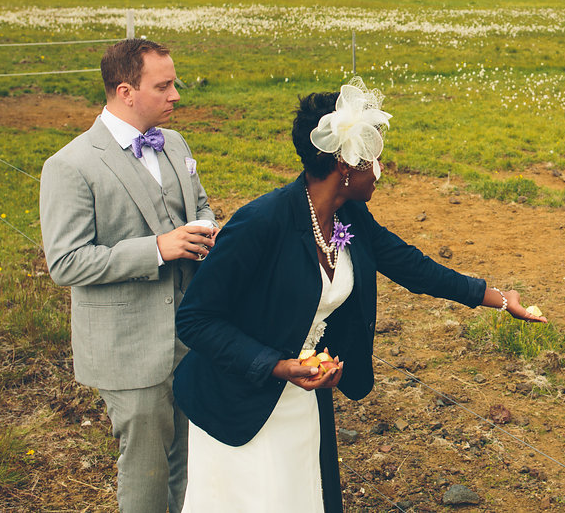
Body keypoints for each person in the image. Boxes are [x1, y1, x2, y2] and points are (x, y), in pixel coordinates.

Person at [173, 77, 545, 512]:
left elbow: (411, 266)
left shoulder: (349, 216)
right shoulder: (260, 223)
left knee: (300, 496)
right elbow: (196, 320)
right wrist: (276, 366)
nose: (381, 172)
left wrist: (499, 297)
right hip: (238, 399)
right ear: (345, 166)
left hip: (301, 395)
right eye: (375, 161)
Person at [39, 39, 218, 513]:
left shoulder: (176, 143)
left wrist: (207, 227)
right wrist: (157, 249)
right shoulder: (70, 166)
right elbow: (66, 261)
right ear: (126, 91)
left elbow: (197, 204)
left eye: (174, 82)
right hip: (128, 346)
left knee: (188, 459)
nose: (176, 94)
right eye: (163, 86)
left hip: (190, 334)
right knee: (145, 471)